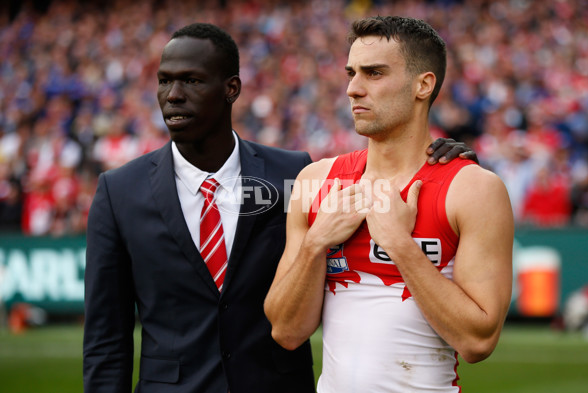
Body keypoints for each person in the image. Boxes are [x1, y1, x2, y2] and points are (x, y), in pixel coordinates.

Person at [83, 22, 476, 393]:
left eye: (192, 80)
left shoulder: (292, 174)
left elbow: (384, 171)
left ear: (231, 88)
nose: (173, 95)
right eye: (165, 81)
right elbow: (106, 337)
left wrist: (444, 155)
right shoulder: (119, 191)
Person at [264, 16, 513, 393]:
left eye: (374, 73)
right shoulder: (315, 181)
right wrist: (317, 243)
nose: (353, 89)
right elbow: (285, 331)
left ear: (423, 85)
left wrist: (399, 244)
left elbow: (478, 342)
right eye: (351, 73)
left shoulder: (474, 189)